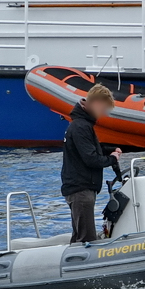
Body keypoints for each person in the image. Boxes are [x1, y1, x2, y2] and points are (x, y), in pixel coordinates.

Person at [60, 84, 123, 243]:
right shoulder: (81, 126)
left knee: (79, 236)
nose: (103, 114)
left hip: (78, 188)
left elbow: (88, 149)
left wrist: (109, 150)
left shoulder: (81, 125)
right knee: (86, 239)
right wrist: (113, 159)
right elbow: (91, 158)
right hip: (81, 189)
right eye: (103, 109)